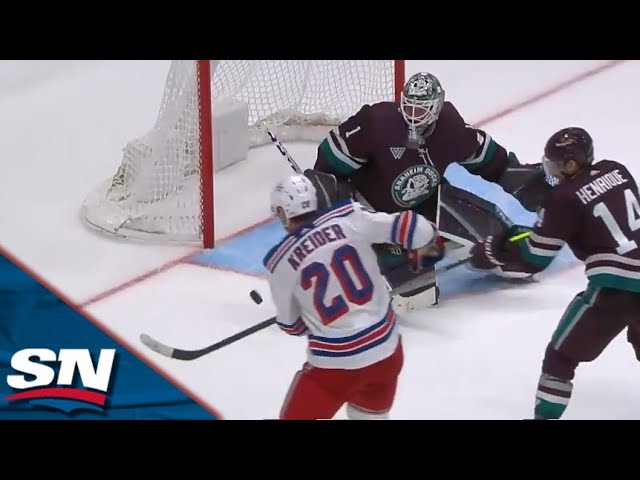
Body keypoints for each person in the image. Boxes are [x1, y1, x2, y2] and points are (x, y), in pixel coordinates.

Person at [305, 71, 554, 313]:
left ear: (435, 109)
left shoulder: (451, 128)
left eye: (421, 110)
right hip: (377, 215)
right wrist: (329, 197)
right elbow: (329, 165)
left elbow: (495, 163)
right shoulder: (377, 123)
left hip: (429, 203)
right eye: (409, 108)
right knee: (416, 293)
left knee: (504, 247)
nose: (413, 117)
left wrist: (531, 186)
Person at [469, 126, 640, 420]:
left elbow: (536, 257)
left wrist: (496, 249)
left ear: (573, 163)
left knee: (560, 358)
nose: (554, 171)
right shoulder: (618, 170)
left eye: (558, 165)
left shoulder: (563, 198)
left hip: (616, 288)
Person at [264, 174, 444, 420]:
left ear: (283, 213)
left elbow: (292, 326)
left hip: (335, 369)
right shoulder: (351, 217)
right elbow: (416, 229)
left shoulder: (281, 263)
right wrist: (429, 240)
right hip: (386, 353)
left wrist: (312, 312)